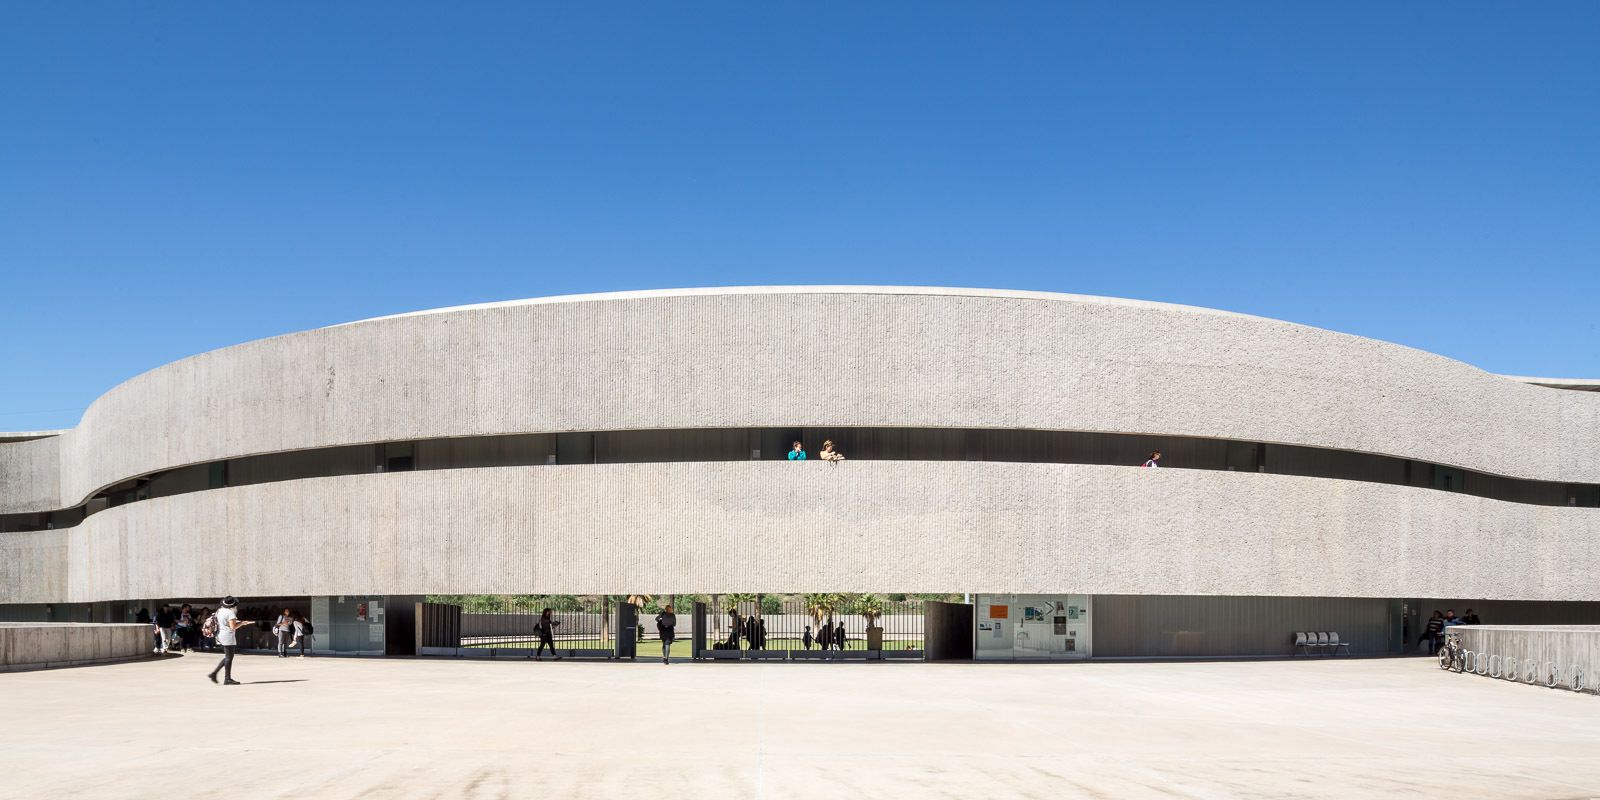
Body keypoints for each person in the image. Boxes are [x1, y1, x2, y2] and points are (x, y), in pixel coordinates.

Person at [207, 596, 255, 685]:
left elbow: (225, 623)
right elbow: (233, 627)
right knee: (229, 657)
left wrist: (238, 622)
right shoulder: (230, 613)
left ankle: (214, 674)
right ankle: (227, 679)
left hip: (220, 635)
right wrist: (242, 623)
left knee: (227, 657)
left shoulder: (219, 611)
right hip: (227, 636)